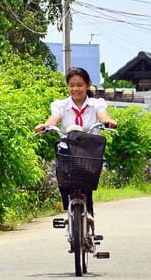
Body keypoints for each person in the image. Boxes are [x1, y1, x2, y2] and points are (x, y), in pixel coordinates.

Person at [35, 67, 117, 215]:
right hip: (69, 151)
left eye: (79, 85)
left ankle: (88, 221)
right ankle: (69, 211)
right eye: (71, 85)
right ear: (68, 86)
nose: (75, 89)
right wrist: (45, 126)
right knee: (62, 176)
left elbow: (102, 115)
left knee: (87, 184)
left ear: (87, 85)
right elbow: (54, 118)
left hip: (88, 153)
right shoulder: (61, 105)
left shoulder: (96, 104)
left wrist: (107, 121)